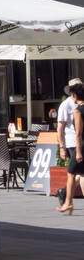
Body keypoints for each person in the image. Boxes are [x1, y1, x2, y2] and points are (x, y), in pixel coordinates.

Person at [58, 80, 84, 214]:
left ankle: (68, 202)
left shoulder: (78, 111)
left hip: (80, 146)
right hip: (77, 144)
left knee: (71, 174)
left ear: (74, 95)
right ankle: (69, 203)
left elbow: (78, 134)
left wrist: (79, 152)